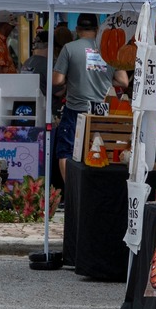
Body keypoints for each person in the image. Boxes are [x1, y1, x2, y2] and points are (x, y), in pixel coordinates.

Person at [55, 14, 111, 183]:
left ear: (77, 29)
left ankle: (73, 192)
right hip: (102, 111)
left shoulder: (69, 48)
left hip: (75, 110)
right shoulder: (108, 49)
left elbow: (56, 80)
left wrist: (70, 76)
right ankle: (95, 192)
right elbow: (123, 79)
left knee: (66, 151)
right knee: (100, 151)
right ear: (97, 29)